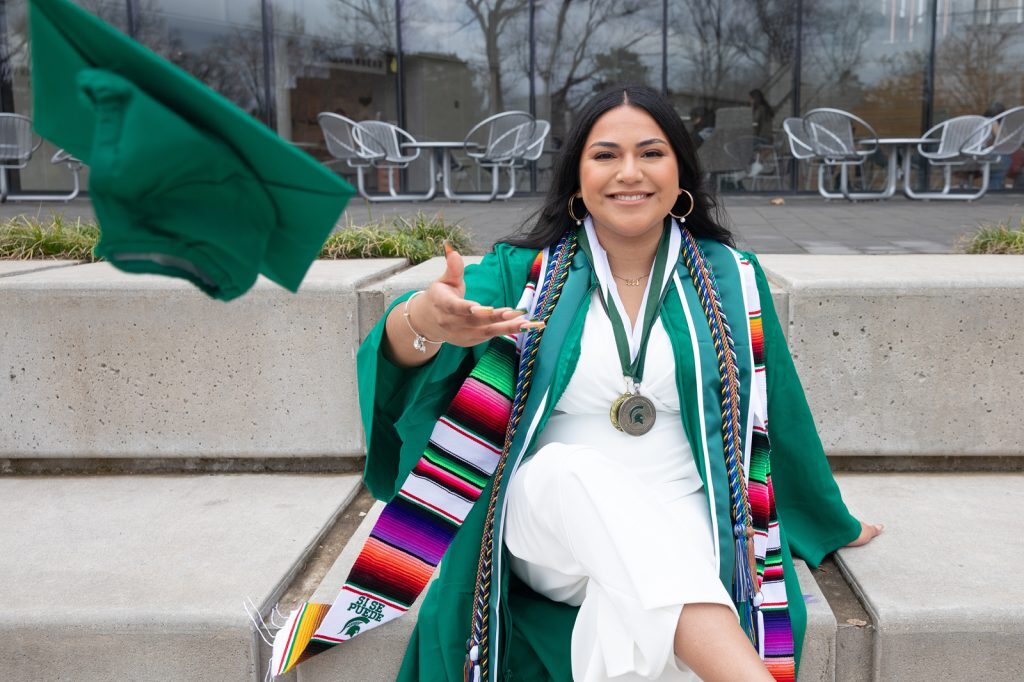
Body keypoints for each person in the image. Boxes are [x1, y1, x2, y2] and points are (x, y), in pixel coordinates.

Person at [356, 85, 882, 682]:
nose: (629, 173)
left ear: (679, 169)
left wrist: (826, 516)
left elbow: (778, 409)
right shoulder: (521, 273)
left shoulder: (732, 279)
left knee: (638, 602)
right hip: (548, 517)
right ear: (576, 178)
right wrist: (424, 320)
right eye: (605, 155)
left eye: (651, 153)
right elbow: (410, 344)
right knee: (573, 474)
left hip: (687, 512)